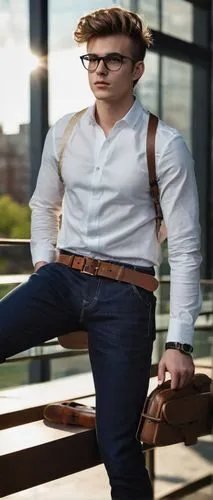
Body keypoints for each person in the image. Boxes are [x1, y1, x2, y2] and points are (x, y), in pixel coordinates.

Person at [0, 6, 202, 500]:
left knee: (118, 443)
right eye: (92, 60)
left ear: (137, 69)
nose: (100, 70)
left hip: (126, 295)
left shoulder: (166, 144)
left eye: (113, 60)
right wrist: (45, 264)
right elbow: (44, 206)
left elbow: (189, 247)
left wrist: (179, 343)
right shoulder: (64, 132)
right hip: (62, 278)